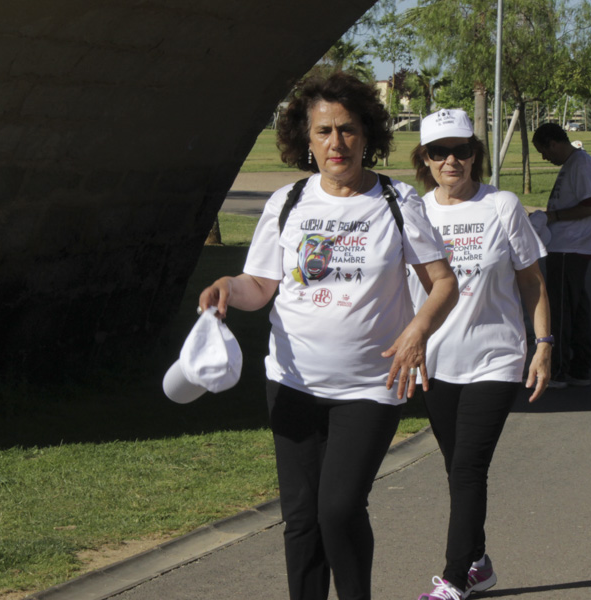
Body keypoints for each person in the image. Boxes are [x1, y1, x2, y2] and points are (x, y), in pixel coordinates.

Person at [199, 72, 457, 600]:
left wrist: (417, 331)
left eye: (347, 130)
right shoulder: (289, 202)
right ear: (306, 139)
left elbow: (444, 284)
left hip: (371, 385)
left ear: (367, 135)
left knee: (338, 508)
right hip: (292, 382)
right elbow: (261, 286)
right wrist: (229, 286)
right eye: (323, 132)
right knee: (301, 519)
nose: (335, 143)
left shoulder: (398, 201)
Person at [407, 109, 553, 600]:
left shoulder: (501, 205)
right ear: (424, 159)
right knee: (457, 469)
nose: (452, 160)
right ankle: (480, 562)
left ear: (476, 154)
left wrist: (544, 345)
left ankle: (452, 579)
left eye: (462, 150)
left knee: (468, 468)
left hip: (496, 357)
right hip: (438, 362)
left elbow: (531, 281)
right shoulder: (415, 211)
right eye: (439, 151)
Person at [530, 122, 591, 389]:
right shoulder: (573, 164)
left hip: (570, 246)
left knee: (559, 309)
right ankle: (579, 367)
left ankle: (558, 369)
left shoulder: (580, 164)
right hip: (568, 246)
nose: (544, 157)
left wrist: (552, 216)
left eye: (543, 151)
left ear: (554, 143)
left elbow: (589, 207)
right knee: (575, 308)